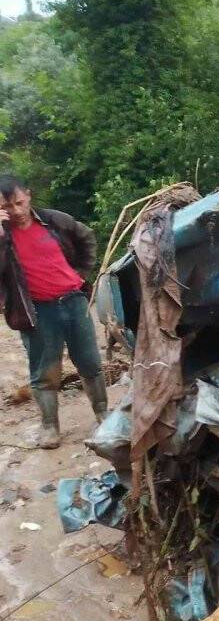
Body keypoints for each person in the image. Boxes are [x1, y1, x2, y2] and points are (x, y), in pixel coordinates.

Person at [0, 175, 107, 448]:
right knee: (44, 373)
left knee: (90, 363)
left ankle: (103, 414)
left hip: (74, 301)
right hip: (36, 312)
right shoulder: (3, 235)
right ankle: (50, 427)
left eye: (19, 203)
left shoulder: (55, 221)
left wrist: (82, 274)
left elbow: (87, 238)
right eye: (6, 207)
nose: (15, 211)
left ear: (28, 195)